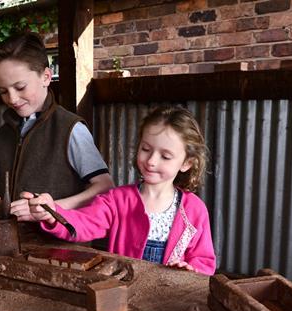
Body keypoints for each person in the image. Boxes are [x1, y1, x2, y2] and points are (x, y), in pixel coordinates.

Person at [22, 106, 216, 275]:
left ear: (187, 163)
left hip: (170, 299)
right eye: (146, 149)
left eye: (165, 156)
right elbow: (85, 223)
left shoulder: (194, 210)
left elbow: (204, 260)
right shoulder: (117, 200)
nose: (151, 161)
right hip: (122, 295)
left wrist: (190, 271)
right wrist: (52, 213)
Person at [0, 32, 114, 221]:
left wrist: (51, 209)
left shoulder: (70, 129)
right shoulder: (2, 136)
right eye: (2, 91)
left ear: (46, 77)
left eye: (20, 87)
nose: (12, 99)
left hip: (62, 246)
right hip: (12, 243)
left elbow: (104, 186)